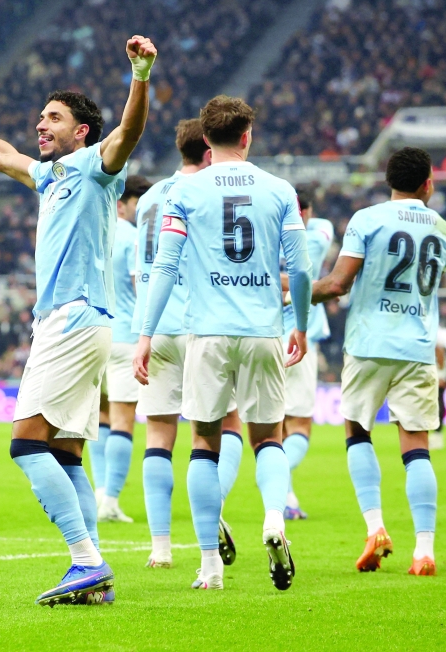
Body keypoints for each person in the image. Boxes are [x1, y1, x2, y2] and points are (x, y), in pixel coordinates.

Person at [0, 34, 156, 606]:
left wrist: (140, 75)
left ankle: (87, 561)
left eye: (52, 118)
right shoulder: (49, 178)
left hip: (72, 320)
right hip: (81, 322)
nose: (41, 125)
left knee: (26, 444)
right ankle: (93, 573)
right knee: (65, 452)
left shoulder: (93, 166)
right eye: (40, 117)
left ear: (81, 130)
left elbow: (127, 134)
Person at [134, 95, 313, 592]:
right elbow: (298, 268)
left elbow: (165, 267)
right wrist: (299, 322)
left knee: (204, 445)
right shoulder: (278, 189)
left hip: (207, 334)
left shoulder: (184, 192)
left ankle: (210, 565)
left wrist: (146, 334)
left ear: (206, 142)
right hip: (263, 331)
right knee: (267, 439)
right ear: (247, 137)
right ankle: (274, 520)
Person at [311, 147, 446, 577]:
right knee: (417, 447)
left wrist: (291, 290)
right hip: (417, 347)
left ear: (388, 180)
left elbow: (337, 285)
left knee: (357, 431)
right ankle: (424, 551)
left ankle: (375, 528)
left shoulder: (367, 219)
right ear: (428, 183)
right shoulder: (444, 229)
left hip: (369, 343)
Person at [131, 118, 241, 569]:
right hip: (200, 324)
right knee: (224, 425)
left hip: (153, 326)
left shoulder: (151, 197)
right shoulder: (213, 194)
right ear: (211, 150)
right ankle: (212, 509)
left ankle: (160, 548)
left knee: (158, 434)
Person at [96, 175, 150, 523]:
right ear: (122, 204)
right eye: (136, 204)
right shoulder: (134, 238)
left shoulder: (95, 231)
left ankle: (100, 490)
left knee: (100, 417)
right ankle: (111, 501)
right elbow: (140, 285)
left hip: (93, 334)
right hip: (126, 334)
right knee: (122, 421)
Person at [280, 187, 334, 520]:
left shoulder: (264, 230)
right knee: (299, 424)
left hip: (262, 333)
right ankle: (276, 481)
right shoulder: (317, 231)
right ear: (307, 211)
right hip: (298, 336)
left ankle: (287, 497)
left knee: (274, 426)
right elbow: (304, 276)